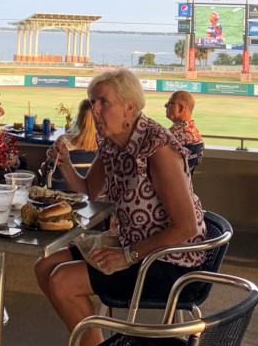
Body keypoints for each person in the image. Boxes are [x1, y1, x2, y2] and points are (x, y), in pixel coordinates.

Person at [35, 69, 206, 346]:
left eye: (104, 102)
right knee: (44, 266)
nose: (95, 110)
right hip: (133, 244)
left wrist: (128, 256)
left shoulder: (156, 147)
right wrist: (64, 163)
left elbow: (186, 227)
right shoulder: (113, 142)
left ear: (129, 107)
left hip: (169, 259)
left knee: (63, 281)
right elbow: (89, 189)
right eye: (93, 102)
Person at [41, 99, 98, 186]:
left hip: (59, 193)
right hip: (92, 196)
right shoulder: (105, 146)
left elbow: (45, 169)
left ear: (79, 119)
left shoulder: (63, 141)